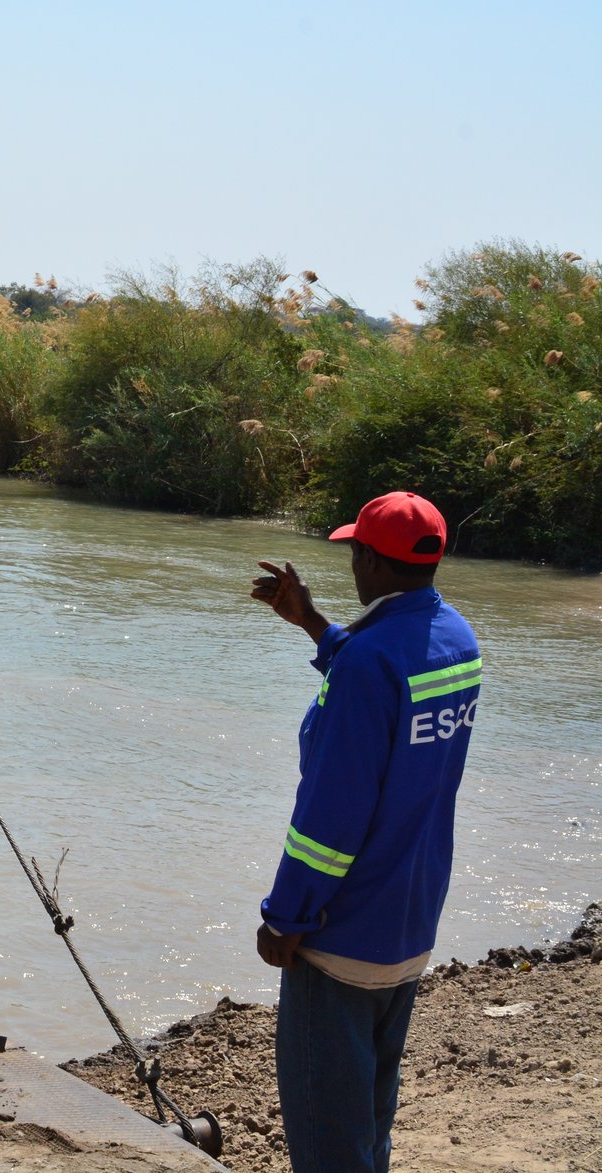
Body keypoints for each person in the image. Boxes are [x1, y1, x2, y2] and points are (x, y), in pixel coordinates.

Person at [248, 491, 481, 1173]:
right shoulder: (458, 640)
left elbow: (331, 816)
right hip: (408, 919)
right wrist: (314, 623)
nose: (353, 564)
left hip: (341, 936)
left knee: (329, 1139)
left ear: (371, 562)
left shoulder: (366, 663)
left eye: (356, 552)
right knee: (369, 1125)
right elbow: (390, 696)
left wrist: (285, 917)